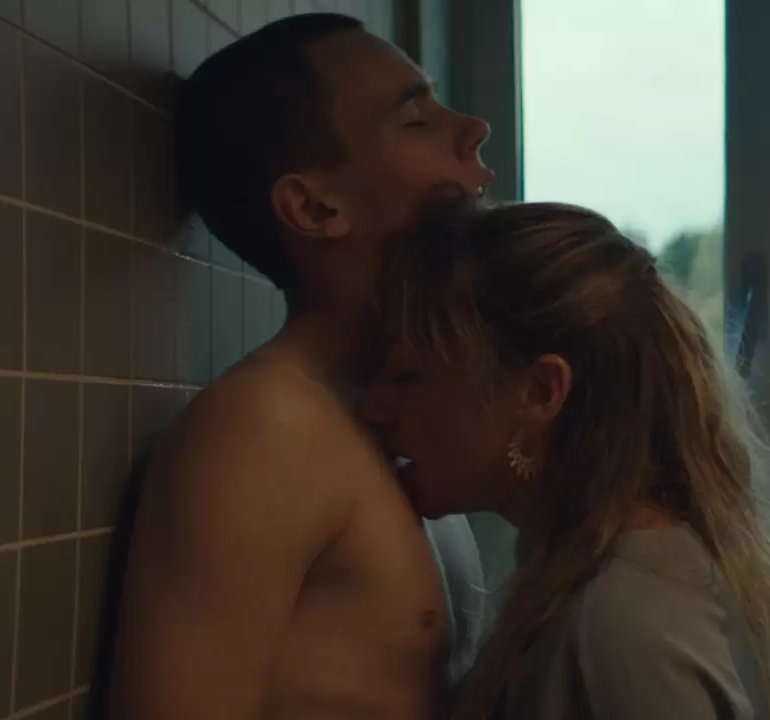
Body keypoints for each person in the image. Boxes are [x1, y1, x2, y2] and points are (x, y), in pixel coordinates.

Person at [110, 13, 494, 720]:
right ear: (314, 206)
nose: (473, 129)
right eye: (415, 121)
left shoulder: (409, 421)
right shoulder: (263, 431)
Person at [362, 199, 770, 720]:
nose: (375, 406)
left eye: (407, 377)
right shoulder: (593, 572)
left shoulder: (622, 620)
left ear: (540, 392)